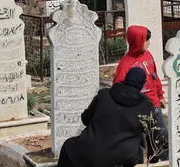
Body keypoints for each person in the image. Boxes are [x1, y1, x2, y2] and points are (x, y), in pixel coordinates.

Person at [57, 67, 156, 167]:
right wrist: (153, 159)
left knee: (68, 146)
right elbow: (152, 138)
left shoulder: (104, 95)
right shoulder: (147, 106)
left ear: (126, 78)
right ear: (142, 84)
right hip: (123, 158)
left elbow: (85, 120)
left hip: (90, 152)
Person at [112, 26, 168, 163]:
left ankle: (160, 162)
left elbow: (155, 77)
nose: (148, 43)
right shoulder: (125, 64)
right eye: (146, 40)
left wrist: (160, 95)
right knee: (142, 142)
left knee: (160, 138)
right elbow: (118, 88)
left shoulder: (148, 56)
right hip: (137, 110)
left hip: (154, 105)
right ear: (138, 41)